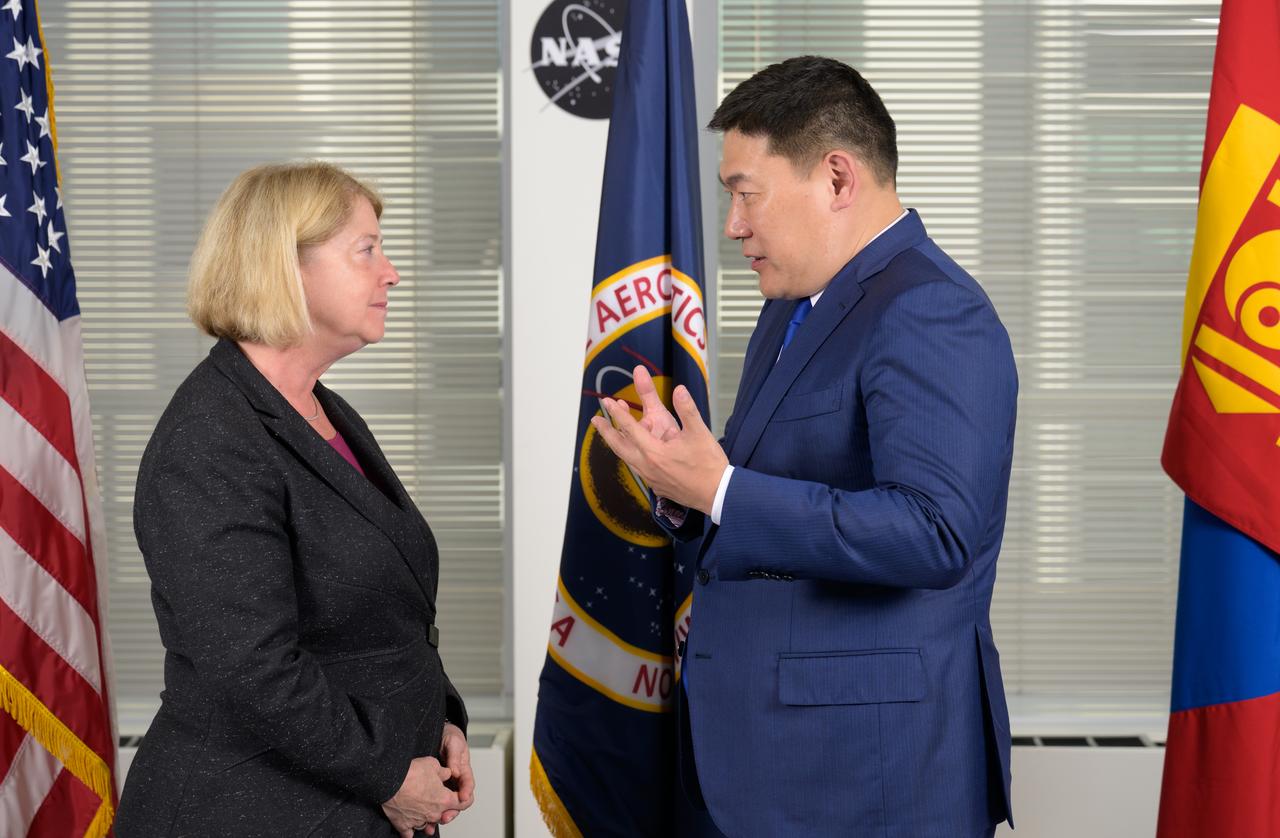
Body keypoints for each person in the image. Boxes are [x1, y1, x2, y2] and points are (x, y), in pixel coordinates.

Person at [592, 56, 1017, 837]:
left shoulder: (929, 310)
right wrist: (681, 478)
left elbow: (936, 532)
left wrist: (720, 489)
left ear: (837, 179)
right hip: (767, 762)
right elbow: (775, 479)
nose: (733, 226)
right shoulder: (794, 305)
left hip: (863, 776)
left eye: (746, 194)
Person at [117, 162, 474, 837]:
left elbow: (381, 612)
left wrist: (441, 720)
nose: (391, 272)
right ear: (285, 267)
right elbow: (251, 666)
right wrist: (389, 775)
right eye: (366, 250)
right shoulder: (210, 440)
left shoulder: (322, 410)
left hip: (340, 800)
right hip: (249, 808)